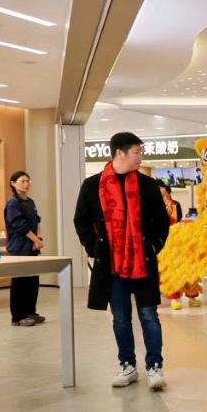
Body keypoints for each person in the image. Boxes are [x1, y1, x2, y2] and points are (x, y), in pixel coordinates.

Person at [74, 132, 171, 390]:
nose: (141, 157)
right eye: (137, 152)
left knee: (149, 315)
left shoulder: (147, 185)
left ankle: (155, 366)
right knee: (120, 318)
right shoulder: (92, 185)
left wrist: (154, 245)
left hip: (142, 262)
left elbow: (162, 221)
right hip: (112, 264)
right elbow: (81, 220)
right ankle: (128, 366)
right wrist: (94, 248)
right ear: (120, 153)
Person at [4, 171, 45, 327]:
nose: (26, 184)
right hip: (19, 248)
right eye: (22, 181)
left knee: (32, 280)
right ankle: (18, 316)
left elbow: (37, 221)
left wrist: (39, 239)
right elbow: (19, 224)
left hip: (32, 247)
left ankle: (30, 312)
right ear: (13, 183)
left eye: (28, 181)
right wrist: (35, 239)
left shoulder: (30, 202)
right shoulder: (13, 203)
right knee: (20, 282)